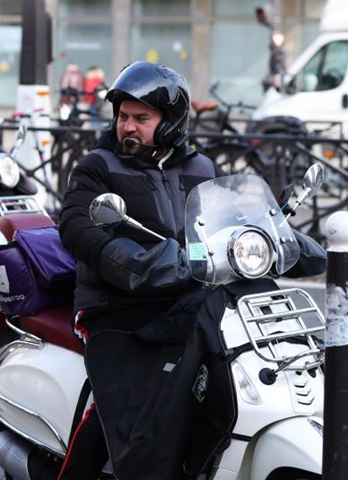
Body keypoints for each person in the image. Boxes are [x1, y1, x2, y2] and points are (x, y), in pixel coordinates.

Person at [57, 61, 326, 480]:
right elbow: (80, 229)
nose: (128, 126)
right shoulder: (98, 167)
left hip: (189, 300)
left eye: (142, 118)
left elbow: (235, 218)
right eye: (124, 116)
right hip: (117, 309)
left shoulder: (202, 169)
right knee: (128, 406)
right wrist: (144, 264)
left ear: (170, 122)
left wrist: (283, 239)